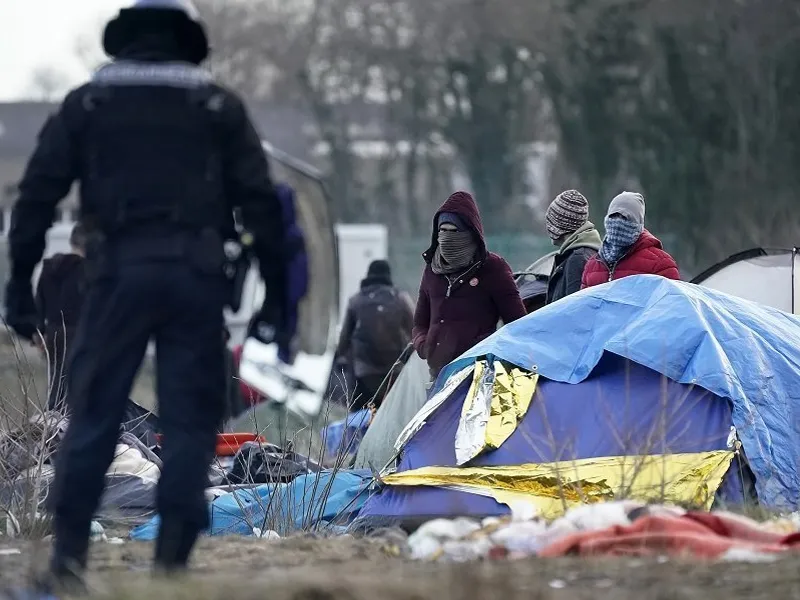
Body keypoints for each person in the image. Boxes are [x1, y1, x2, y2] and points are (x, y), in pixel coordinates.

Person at [3, 0, 290, 588]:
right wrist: (278, 305)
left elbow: (34, 199)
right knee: (189, 422)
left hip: (114, 278)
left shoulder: (88, 104)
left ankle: (68, 564)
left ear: (122, 41)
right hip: (195, 281)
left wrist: (17, 292)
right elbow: (264, 208)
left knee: (94, 414)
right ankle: (173, 568)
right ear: (186, 41)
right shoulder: (218, 107)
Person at [413, 191, 527, 382]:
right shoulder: (432, 269)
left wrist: (490, 351)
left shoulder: (493, 268)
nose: (446, 237)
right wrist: (425, 346)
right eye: (442, 230)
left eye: (454, 231)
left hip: (478, 375)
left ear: (469, 232)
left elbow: (518, 324)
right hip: (438, 375)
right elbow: (419, 322)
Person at [334, 260, 413, 411]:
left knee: (361, 417)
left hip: (363, 372)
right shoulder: (400, 299)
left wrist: (341, 358)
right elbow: (415, 331)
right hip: (393, 371)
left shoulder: (356, 300)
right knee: (391, 413)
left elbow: (344, 338)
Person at [35, 223, 87, 411]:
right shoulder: (86, 270)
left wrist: (40, 331)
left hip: (53, 331)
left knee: (56, 378)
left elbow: (39, 301)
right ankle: (69, 424)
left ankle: (52, 418)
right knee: (78, 382)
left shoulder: (49, 268)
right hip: (78, 331)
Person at [581, 191, 680, 288]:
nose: (618, 222)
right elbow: (583, 303)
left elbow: (671, 301)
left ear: (638, 224)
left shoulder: (660, 264)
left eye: (625, 218)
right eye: (614, 216)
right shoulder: (592, 265)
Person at [544, 190, 602, 304]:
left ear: (560, 225)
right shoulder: (584, 252)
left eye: (550, 220)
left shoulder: (577, 259)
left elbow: (572, 311)